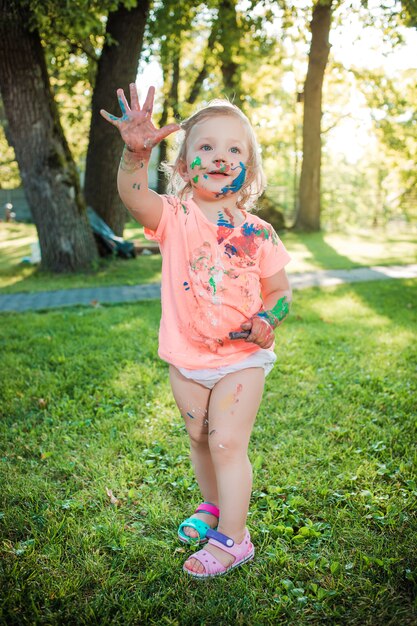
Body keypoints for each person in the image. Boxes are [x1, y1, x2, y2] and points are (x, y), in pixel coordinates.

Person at [100, 84, 292, 578]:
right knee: (200, 438)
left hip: (240, 360)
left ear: (250, 166)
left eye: (234, 149)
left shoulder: (259, 233)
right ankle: (212, 507)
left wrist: (268, 320)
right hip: (186, 356)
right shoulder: (174, 217)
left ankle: (235, 539)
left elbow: (279, 292)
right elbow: (133, 195)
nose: (220, 157)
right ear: (185, 165)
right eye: (206, 147)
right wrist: (135, 153)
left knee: (227, 442)